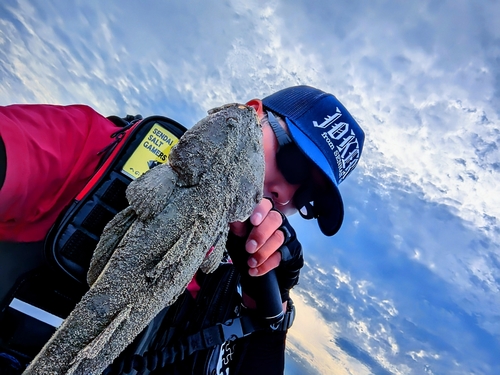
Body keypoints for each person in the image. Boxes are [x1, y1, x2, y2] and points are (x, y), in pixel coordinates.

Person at [0, 85, 365, 374]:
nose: (285, 195)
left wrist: (270, 297)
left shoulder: (231, 281)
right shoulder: (91, 145)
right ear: (253, 114)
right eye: (295, 163)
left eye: (309, 199)